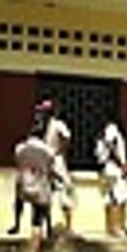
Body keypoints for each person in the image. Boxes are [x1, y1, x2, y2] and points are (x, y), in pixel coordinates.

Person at [15, 126, 56, 252]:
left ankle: (16, 224)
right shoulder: (48, 151)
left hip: (24, 185)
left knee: (18, 203)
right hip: (40, 188)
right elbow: (50, 170)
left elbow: (18, 164)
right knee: (37, 222)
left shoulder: (20, 149)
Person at [41, 101, 76, 236]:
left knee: (64, 192)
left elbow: (67, 139)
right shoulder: (41, 126)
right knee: (45, 195)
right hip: (44, 161)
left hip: (55, 160)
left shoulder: (58, 124)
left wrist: (59, 152)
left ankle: (68, 226)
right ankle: (48, 226)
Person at [96, 120, 127, 238]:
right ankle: (117, 228)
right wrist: (123, 165)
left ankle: (109, 227)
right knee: (118, 199)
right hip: (114, 169)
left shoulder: (100, 137)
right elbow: (112, 145)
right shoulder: (113, 131)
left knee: (108, 199)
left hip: (106, 169)